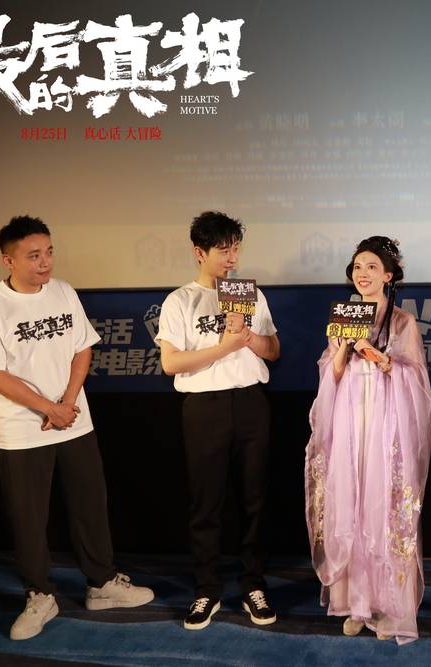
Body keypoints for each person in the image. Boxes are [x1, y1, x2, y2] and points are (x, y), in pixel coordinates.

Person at [0, 215, 154, 641]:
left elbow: (82, 349)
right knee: (29, 517)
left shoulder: (64, 291)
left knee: (91, 503)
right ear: (8, 260)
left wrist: (67, 403)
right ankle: (39, 595)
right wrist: (48, 408)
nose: (45, 262)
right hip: (22, 429)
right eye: (34, 256)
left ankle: (102, 583)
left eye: (49, 252)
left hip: (74, 420)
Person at [304, 236, 431, 644]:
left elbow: (414, 378)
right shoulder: (343, 316)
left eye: (372, 267)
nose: (363, 274)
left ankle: (388, 605)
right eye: (358, 266)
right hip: (349, 416)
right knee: (350, 502)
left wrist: (377, 356)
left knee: (382, 504)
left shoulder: (402, 322)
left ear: (389, 276)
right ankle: (355, 603)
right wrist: (343, 348)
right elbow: (331, 373)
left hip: (385, 418)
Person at [155, 211, 280, 630]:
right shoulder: (180, 301)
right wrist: (225, 346)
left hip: (250, 402)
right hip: (204, 407)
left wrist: (248, 337)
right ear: (199, 252)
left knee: (254, 499)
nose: (232, 258)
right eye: (223, 250)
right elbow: (171, 363)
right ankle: (207, 589)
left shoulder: (251, 295)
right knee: (206, 502)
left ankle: (253, 585)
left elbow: (273, 350)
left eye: (236, 248)